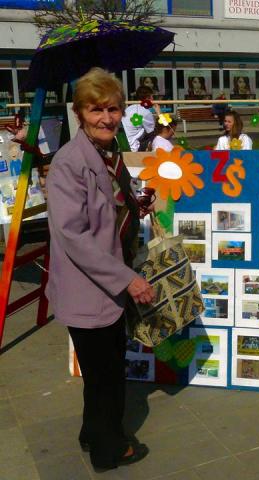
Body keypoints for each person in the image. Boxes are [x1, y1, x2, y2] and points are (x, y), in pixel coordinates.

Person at [46, 67, 154, 471]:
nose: (106, 118)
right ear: (79, 113)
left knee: (101, 372)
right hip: (89, 287)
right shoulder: (69, 162)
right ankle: (110, 450)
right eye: (96, 109)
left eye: (113, 109)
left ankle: (92, 432)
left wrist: (134, 205)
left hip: (106, 286)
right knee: (106, 375)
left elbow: (107, 209)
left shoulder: (108, 153)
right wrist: (129, 279)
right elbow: (73, 235)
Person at [122, 85, 159, 152]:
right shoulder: (146, 112)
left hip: (123, 144)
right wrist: (159, 113)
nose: (153, 99)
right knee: (159, 137)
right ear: (148, 98)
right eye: (152, 97)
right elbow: (155, 131)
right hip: (133, 147)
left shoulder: (128, 108)